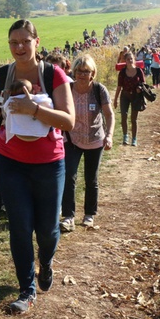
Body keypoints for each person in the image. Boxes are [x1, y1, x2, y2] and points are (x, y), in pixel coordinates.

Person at [0, 19, 74, 314]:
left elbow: (69, 121)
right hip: (11, 163)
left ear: (36, 42)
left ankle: (46, 260)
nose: (19, 48)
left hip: (49, 164)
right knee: (19, 227)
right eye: (13, 43)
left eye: (24, 42)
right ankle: (26, 290)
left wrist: (34, 110)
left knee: (46, 230)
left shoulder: (53, 75)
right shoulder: (0, 77)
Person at [60, 54, 115, 233]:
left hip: (95, 139)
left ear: (93, 73)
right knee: (69, 176)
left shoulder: (99, 90)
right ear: (74, 71)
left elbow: (109, 114)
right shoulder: (67, 89)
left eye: (87, 71)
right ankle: (68, 217)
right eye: (79, 70)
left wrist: (109, 135)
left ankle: (89, 214)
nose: (83, 74)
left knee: (91, 179)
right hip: (71, 139)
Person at [113, 52, 145, 147]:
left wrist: (140, 88)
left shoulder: (139, 71)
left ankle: (134, 138)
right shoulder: (122, 72)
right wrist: (115, 100)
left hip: (136, 97)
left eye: (131, 59)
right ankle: (125, 136)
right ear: (125, 61)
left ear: (134, 60)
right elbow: (119, 86)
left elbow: (144, 84)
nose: (130, 61)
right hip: (125, 96)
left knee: (133, 119)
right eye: (128, 59)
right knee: (124, 116)